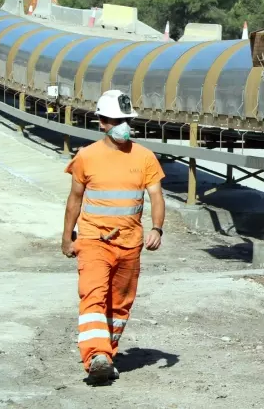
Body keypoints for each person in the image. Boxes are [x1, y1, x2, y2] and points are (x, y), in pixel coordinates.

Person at [61, 89, 166, 384]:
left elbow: (156, 196)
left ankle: (108, 355)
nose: (123, 125)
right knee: (93, 296)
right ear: (102, 123)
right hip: (94, 239)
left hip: (130, 242)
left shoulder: (144, 157)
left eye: (126, 119)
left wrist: (157, 228)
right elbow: (74, 199)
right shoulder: (86, 157)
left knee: (119, 305)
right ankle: (96, 355)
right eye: (116, 119)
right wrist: (67, 237)